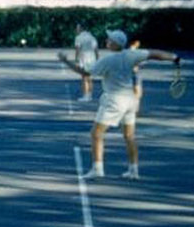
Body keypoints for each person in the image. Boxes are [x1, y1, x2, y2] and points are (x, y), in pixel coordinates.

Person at [58, 30, 179, 180]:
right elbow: (155, 54)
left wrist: (66, 61)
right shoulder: (132, 54)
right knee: (129, 136)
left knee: (96, 134)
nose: (107, 41)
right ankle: (134, 171)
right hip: (130, 100)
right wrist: (174, 58)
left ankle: (98, 169)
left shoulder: (108, 60)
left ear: (115, 43)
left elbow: (86, 73)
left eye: (109, 40)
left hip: (114, 101)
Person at [73, 24, 99, 102]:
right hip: (92, 59)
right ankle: (89, 95)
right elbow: (96, 50)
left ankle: (85, 96)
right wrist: (98, 60)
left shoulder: (78, 38)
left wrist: (76, 60)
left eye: (77, 28)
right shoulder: (92, 37)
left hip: (84, 59)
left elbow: (77, 49)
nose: (76, 30)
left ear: (81, 29)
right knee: (90, 78)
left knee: (84, 78)